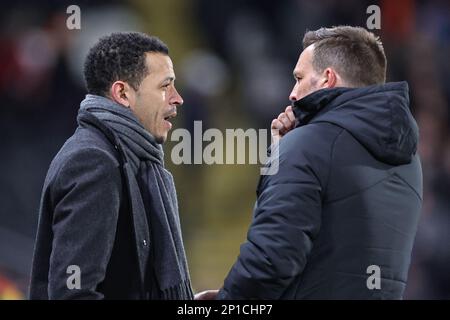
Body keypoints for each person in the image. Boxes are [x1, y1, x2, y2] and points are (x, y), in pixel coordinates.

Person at [197, 26, 422, 300]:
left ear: (327, 78)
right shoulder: (409, 160)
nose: (292, 93)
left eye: (299, 78)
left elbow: (272, 258)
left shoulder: (308, 144)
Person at [29, 32, 193, 299]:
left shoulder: (128, 156)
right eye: (165, 86)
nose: (177, 98)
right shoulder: (93, 161)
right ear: (122, 93)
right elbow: (73, 294)